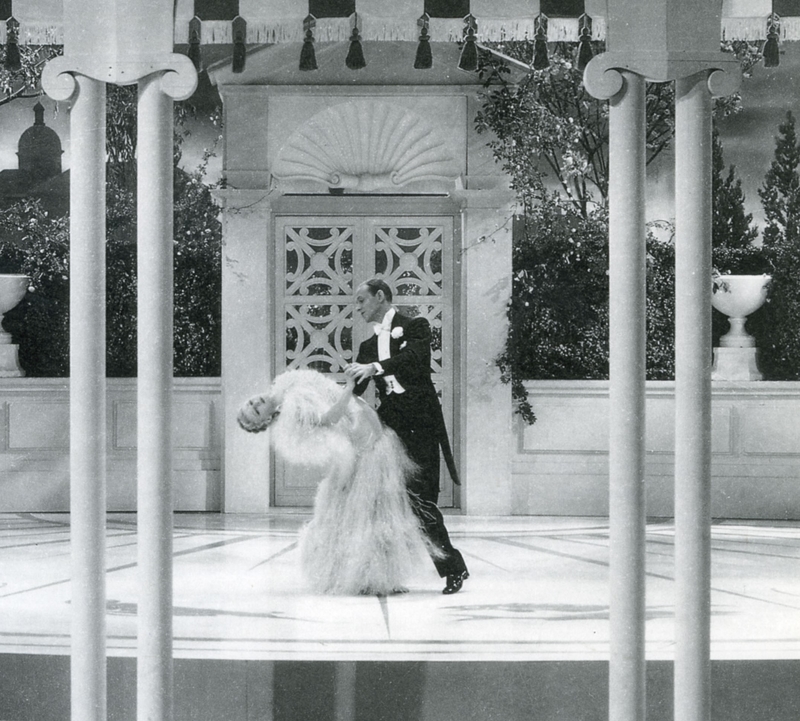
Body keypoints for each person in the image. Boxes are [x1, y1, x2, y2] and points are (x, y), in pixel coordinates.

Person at [238, 368, 439, 596]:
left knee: (379, 510)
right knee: (365, 515)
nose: (256, 403)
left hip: (363, 419)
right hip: (359, 438)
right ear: (265, 420)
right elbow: (329, 418)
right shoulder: (292, 412)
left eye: (251, 402)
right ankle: (365, 577)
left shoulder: (285, 383)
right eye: (256, 410)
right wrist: (350, 388)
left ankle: (382, 577)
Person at [345, 278, 469, 595]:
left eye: (361, 300)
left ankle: (453, 568)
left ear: (381, 297)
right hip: (387, 429)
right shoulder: (366, 347)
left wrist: (374, 367)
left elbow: (413, 360)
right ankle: (383, 576)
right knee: (380, 501)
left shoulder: (415, 327)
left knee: (420, 501)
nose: (357, 307)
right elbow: (355, 392)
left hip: (421, 425)